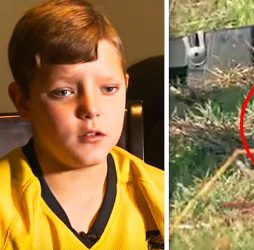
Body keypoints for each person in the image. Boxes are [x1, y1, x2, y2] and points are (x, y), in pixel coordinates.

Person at [0, 0, 164, 249]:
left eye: (109, 89)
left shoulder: (160, 195)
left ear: (125, 88)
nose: (91, 109)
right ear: (23, 101)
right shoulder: (6, 209)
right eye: (63, 92)